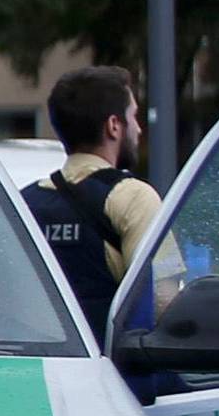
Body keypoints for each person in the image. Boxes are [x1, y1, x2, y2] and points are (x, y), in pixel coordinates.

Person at [20, 67, 174, 341]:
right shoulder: (133, 197)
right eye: (133, 117)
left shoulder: (24, 203)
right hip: (113, 372)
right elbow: (164, 303)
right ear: (114, 125)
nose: (138, 129)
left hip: (43, 368)